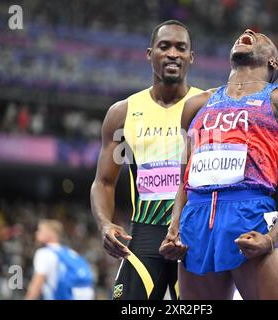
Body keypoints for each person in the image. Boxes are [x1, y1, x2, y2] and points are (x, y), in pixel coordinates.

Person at [160, 28, 278, 300]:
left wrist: (272, 237)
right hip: (195, 221)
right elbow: (185, 178)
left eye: (261, 37)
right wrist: (173, 229)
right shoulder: (196, 105)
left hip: (249, 213)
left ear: (273, 62)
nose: (248, 31)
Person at [90, 20, 201, 300]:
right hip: (145, 235)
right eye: (164, 46)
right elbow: (103, 182)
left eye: (181, 48)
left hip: (194, 233)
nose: (173, 53)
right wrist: (105, 223)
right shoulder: (123, 112)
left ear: (191, 57)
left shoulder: (209, 106)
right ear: (150, 54)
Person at [25, 219, 95, 300]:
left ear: (50, 233)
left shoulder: (44, 253)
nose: (36, 233)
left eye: (40, 230)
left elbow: (36, 285)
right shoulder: (70, 252)